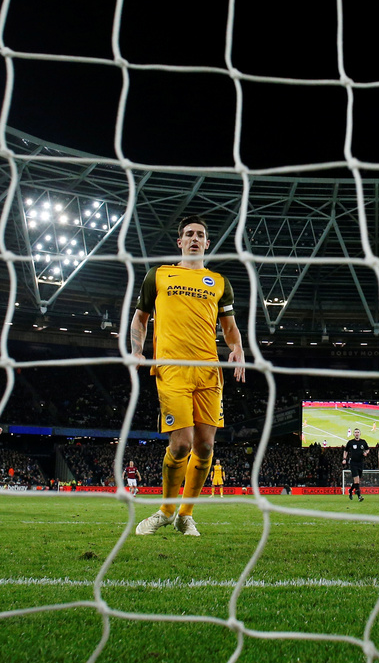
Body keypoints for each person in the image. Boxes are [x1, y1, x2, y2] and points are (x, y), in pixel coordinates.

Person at [132, 215, 245, 537]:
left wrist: (237, 348)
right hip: (171, 368)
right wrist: (136, 350)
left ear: (207, 243)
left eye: (200, 235)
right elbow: (140, 318)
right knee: (181, 445)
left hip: (209, 370)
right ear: (180, 241)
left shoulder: (219, 282)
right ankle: (166, 511)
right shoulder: (158, 275)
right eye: (189, 234)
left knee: (205, 446)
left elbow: (229, 327)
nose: (194, 238)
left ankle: (185, 515)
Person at [343, 427, 370, 502]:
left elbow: (367, 449)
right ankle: (359, 496)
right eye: (355, 432)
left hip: (360, 463)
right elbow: (345, 451)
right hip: (353, 463)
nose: (357, 433)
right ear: (353, 434)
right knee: (357, 480)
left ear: (360, 433)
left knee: (357, 481)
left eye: (358, 432)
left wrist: (366, 452)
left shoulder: (363, 442)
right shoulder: (350, 442)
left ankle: (350, 490)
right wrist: (344, 459)